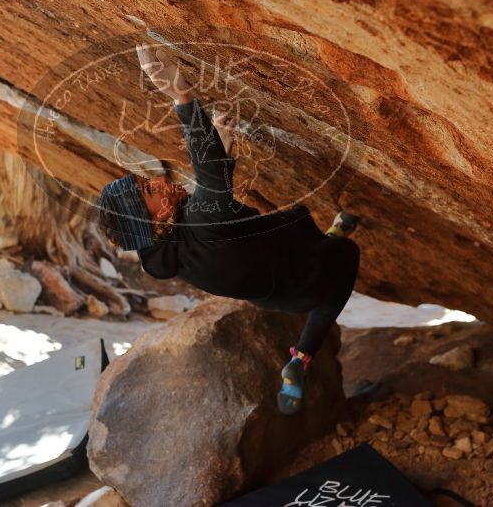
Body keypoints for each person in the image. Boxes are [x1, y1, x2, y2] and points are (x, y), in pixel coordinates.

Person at [97, 44, 360, 414]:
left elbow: (210, 194)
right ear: (153, 218)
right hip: (299, 274)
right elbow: (209, 188)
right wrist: (181, 97)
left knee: (298, 219)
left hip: (269, 283)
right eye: (149, 191)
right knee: (343, 262)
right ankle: (302, 355)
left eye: (147, 181)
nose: (158, 182)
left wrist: (220, 142)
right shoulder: (199, 227)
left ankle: (301, 358)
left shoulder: (159, 247)